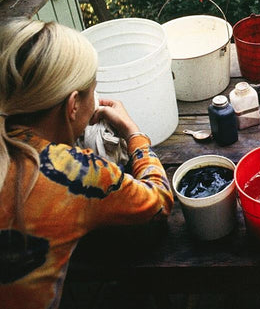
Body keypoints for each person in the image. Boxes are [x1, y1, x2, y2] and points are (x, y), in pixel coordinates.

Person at [0, 18, 174, 309]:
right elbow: (158, 201)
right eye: (93, 90)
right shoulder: (73, 173)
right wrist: (134, 133)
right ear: (73, 105)